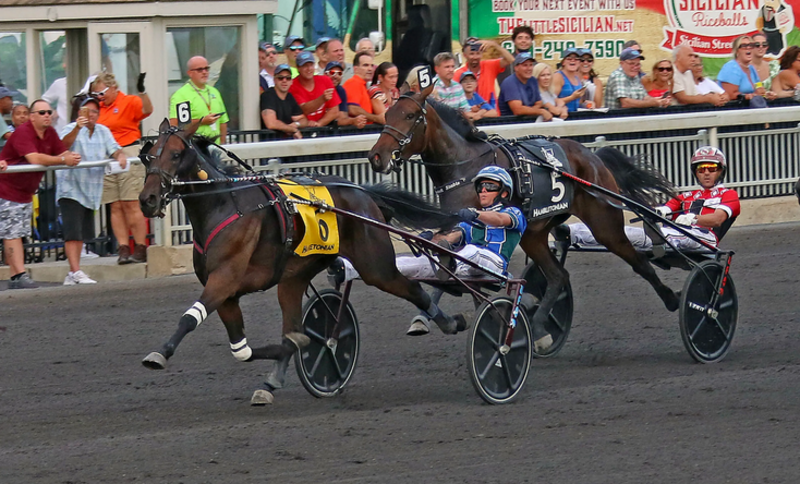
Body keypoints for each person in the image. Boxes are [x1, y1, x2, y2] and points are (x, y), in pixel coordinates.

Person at [331, 166, 527, 334]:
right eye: (480, 186)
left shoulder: (513, 213)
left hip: (493, 264)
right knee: (406, 263)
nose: (483, 190)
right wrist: (427, 239)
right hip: (463, 266)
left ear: (504, 192)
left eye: (490, 186)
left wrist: (475, 213)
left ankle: (448, 262)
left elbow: (500, 220)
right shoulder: (469, 222)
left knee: (471, 252)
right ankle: (346, 268)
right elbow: (451, 237)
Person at [567, 146, 740, 252]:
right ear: (695, 172)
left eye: (711, 168)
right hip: (679, 233)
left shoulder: (728, 195)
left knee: (662, 235)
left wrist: (693, 218)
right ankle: (572, 232)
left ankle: (657, 239)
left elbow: (717, 220)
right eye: (701, 169)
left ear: (721, 171)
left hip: (704, 238)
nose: (707, 173)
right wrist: (656, 212)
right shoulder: (686, 196)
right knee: (623, 232)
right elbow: (665, 209)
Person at [0, 100, 81, 289]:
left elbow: (62, 149)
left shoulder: (50, 133)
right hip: (6, 190)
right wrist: (63, 159)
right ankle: (19, 274)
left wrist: (69, 152)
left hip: (25, 192)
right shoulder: (23, 132)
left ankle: (15, 277)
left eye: (49, 112)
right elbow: (35, 158)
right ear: (32, 116)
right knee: (12, 233)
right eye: (42, 112)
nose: (47, 115)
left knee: (18, 233)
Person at [57, 97, 128, 285]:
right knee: (73, 233)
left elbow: (114, 149)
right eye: (86, 111)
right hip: (70, 187)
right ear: (79, 113)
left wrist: (120, 155)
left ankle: (73, 272)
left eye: (95, 111)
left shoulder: (103, 131)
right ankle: (75, 270)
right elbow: (62, 146)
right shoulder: (70, 128)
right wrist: (77, 128)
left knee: (81, 234)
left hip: (90, 190)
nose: (91, 115)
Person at [94, 71, 153, 264]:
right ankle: (123, 248)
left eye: (102, 92)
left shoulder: (128, 101)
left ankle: (140, 246)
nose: (100, 97)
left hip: (128, 151)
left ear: (113, 88)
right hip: (108, 157)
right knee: (115, 204)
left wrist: (142, 91)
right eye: (97, 94)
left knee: (131, 202)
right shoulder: (99, 108)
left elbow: (146, 110)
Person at [169, 56, 229, 142]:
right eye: (200, 70)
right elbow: (176, 124)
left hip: (215, 148)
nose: (204, 72)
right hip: (194, 149)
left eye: (206, 69)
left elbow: (223, 122)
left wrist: (223, 145)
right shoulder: (181, 95)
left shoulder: (214, 92)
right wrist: (202, 121)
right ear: (190, 73)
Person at [454, 37, 515, 110]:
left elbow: (510, 59)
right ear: (465, 55)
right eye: (471, 54)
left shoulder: (489, 65)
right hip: (470, 115)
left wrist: (494, 45)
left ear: (482, 54)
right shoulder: (458, 73)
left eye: (478, 53)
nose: (475, 57)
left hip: (491, 114)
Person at [604, 48, 671, 110]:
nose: (635, 67)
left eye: (638, 64)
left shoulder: (634, 76)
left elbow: (644, 97)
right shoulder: (618, 76)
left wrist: (659, 100)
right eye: (631, 63)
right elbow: (625, 103)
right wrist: (653, 103)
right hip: (616, 118)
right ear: (622, 63)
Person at [717, 36, 777, 102]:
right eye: (744, 46)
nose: (748, 48)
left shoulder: (751, 68)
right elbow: (729, 95)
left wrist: (766, 94)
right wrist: (751, 95)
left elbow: (759, 89)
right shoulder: (731, 67)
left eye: (751, 45)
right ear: (737, 51)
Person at [289, 51, 340, 127]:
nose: (309, 69)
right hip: (302, 130)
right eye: (305, 66)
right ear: (298, 68)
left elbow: (335, 111)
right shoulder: (292, 85)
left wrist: (319, 124)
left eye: (311, 65)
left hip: (322, 129)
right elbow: (302, 110)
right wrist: (322, 99)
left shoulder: (325, 80)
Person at [260, 64, 308, 139]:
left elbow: (304, 120)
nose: (284, 81)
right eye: (280, 78)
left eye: (288, 78)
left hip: (284, 143)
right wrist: (292, 130)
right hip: (268, 143)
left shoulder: (290, 97)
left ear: (291, 81)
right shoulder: (268, 96)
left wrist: (296, 124)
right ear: (274, 80)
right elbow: (271, 123)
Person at [497, 53, 550, 119]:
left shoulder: (533, 80)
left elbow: (539, 102)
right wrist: (541, 111)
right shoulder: (510, 82)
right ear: (516, 68)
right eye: (525, 65)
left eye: (531, 65)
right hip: (509, 123)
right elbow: (517, 110)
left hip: (527, 121)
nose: (529, 68)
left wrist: (530, 111)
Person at [343, 51, 384, 124]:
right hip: (357, 132)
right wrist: (376, 118)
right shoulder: (353, 83)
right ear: (355, 69)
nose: (370, 69)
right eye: (365, 65)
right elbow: (352, 109)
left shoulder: (363, 84)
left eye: (371, 65)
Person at [325, 61, 367, 128]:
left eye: (339, 73)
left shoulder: (341, 91)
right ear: (325, 74)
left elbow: (342, 119)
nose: (335, 76)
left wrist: (354, 120)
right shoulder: (318, 88)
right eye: (332, 73)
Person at [552, 47, 587, 112]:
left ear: (579, 63)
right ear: (563, 62)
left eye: (576, 59)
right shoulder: (558, 77)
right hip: (561, 117)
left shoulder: (577, 78)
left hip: (575, 117)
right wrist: (572, 97)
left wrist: (586, 103)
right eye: (569, 58)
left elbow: (578, 102)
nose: (573, 60)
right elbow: (552, 101)